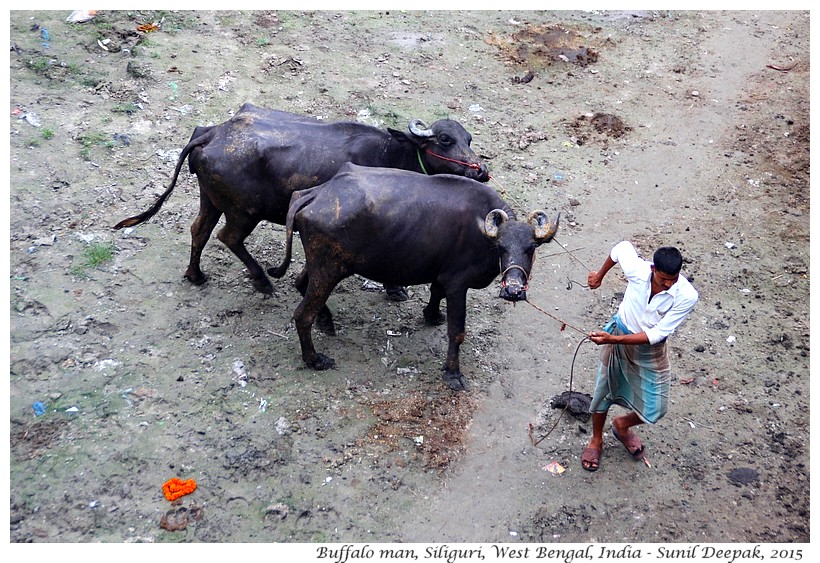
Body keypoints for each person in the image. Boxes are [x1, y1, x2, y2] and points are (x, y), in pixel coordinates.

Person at [581, 241, 698, 472]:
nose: (667, 285)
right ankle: (596, 439)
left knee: (657, 406)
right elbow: (620, 248)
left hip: (650, 350)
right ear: (653, 269)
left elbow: (657, 333)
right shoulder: (638, 269)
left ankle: (621, 425)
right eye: (663, 278)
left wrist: (612, 340)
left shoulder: (687, 295)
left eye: (672, 280)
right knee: (603, 392)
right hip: (619, 333)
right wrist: (599, 275)